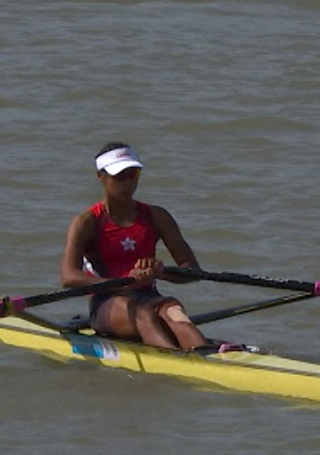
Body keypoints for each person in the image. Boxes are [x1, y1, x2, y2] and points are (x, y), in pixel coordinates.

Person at [60, 143, 209, 350]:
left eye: (133, 174)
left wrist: (161, 272)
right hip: (108, 303)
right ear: (100, 176)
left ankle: (210, 357)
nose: (128, 183)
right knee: (142, 313)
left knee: (174, 309)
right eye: (119, 176)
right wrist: (121, 283)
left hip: (149, 296)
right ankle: (176, 362)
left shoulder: (157, 216)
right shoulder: (86, 222)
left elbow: (193, 271)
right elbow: (69, 277)